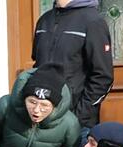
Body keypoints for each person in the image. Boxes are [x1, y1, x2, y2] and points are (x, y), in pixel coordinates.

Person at [32, 0, 113, 131]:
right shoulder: (44, 20)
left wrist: (77, 117)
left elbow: (103, 77)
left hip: (77, 124)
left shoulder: (93, 21)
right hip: (42, 120)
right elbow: (37, 66)